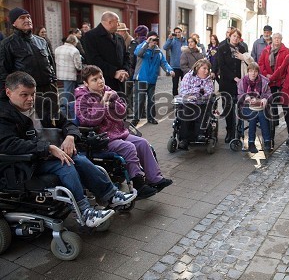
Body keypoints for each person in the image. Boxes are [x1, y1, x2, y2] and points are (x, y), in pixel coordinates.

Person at [0, 71, 136, 227]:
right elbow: (8, 144)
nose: (30, 99)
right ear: (8, 92)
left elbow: (68, 123)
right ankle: (85, 212)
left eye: (33, 93)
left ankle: (110, 196)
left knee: (81, 159)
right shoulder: (4, 114)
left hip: (50, 153)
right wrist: (47, 148)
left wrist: (70, 136)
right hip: (23, 163)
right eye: (24, 95)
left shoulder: (42, 103)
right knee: (66, 165)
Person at [75, 65, 172, 199]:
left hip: (119, 133)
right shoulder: (82, 98)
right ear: (86, 83)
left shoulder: (109, 91)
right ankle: (138, 184)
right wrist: (103, 102)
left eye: (101, 77)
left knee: (142, 143)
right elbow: (89, 120)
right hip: (102, 139)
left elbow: (123, 113)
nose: (100, 81)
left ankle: (155, 178)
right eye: (94, 79)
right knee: (128, 147)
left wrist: (114, 101)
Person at [0, 7, 58, 108]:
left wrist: (53, 81)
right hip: (27, 93)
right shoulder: (7, 44)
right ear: (14, 23)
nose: (27, 20)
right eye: (22, 18)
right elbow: (4, 73)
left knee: (53, 119)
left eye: (28, 17)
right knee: (33, 121)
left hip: (49, 88)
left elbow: (51, 63)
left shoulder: (42, 41)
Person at [214, 28, 253, 143]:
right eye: (233, 36)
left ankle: (238, 130)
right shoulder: (222, 48)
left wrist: (243, 58)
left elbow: (248, 62)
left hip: (240, 83)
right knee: (228, 108)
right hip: (227, 83)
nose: (235, 38)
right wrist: (234, 77)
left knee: (239, 107)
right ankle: (229, 132)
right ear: (229, 36)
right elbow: (222, 66)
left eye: (237, 36)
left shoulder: (242, 48)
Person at [81, 11, 130, 94]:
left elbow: (126, 56)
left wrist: (124, 71)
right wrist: (113, 72)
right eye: (117, 22)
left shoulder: (119, 38)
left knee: (121, 105)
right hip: (102, 83)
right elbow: (93, 60)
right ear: (110, 22)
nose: (118, 25)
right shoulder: (90, 36)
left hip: (120, 82)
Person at [132, 34, 175, 126]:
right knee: (139, 100)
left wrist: (169, 70)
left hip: (152, 79)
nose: (154, 41)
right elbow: (138, 53)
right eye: (152, 39)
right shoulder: (142, 47)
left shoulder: (158, 52)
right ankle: (136, 118)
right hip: (141, 79)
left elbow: (164, 63)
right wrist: (147, 43)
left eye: (155, 40)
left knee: (151, 100)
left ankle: (151, 118)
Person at [177, 59, 215, 150]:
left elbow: (209, 92)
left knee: (203, 112)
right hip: (189, 102)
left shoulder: (208, 79)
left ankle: (200, 134)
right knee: (185, 114)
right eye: (204, 68)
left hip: (203, 102)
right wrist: (199, 90)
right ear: (197, 68)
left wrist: (194, 92)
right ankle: (184, 139)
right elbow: (183, 91)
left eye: (208, 69)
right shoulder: (188, 76)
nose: (206, 71)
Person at [258, 32, 289, 134]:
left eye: (279, 38)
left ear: (281, 40)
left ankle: (287, 121)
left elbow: (286, 66)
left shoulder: (286, 51)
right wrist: (266, 74)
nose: (277, 40)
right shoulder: (266, 50)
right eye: (275, 38)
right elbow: (261, 63)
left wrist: (277, 76)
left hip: (281, 80)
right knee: (272, 101)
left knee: (283, 101)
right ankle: (275, 119)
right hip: (269, 80)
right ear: (272, 39)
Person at [237, 62, 272, 153]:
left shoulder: (263, 81)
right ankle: (251, 142)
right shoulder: (242, 82)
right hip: (246, 107)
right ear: (248, 71)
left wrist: (265, 98)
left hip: (260, 106)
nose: (253, 73)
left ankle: (267, 141)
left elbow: (269, 94)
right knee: (253, 115)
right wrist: (246, 97)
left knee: (262, 115)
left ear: (258, 72)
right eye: (251, 71)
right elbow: (239, 95)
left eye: (255, 71)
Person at [54, 34, 83, 117]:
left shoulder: (58, 49)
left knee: (70, 91)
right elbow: (78, 65)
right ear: (74, 42)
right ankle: (65, 111)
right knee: (68, 93)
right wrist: (80, 69)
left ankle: (73, 108)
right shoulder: (74, 50)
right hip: (70, 74)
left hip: (61, 73)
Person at [163, 27, 187, 96]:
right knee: (175, 85)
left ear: (181, 32)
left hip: (184, 66)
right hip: (175, 66)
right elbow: (165, 47)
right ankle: (175, 100)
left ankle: (184, 99)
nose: (177, 34)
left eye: (179, 32)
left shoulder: (185, 41)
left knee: (185, 85)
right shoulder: (172, 41)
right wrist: (169, 39)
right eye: (176, 32)